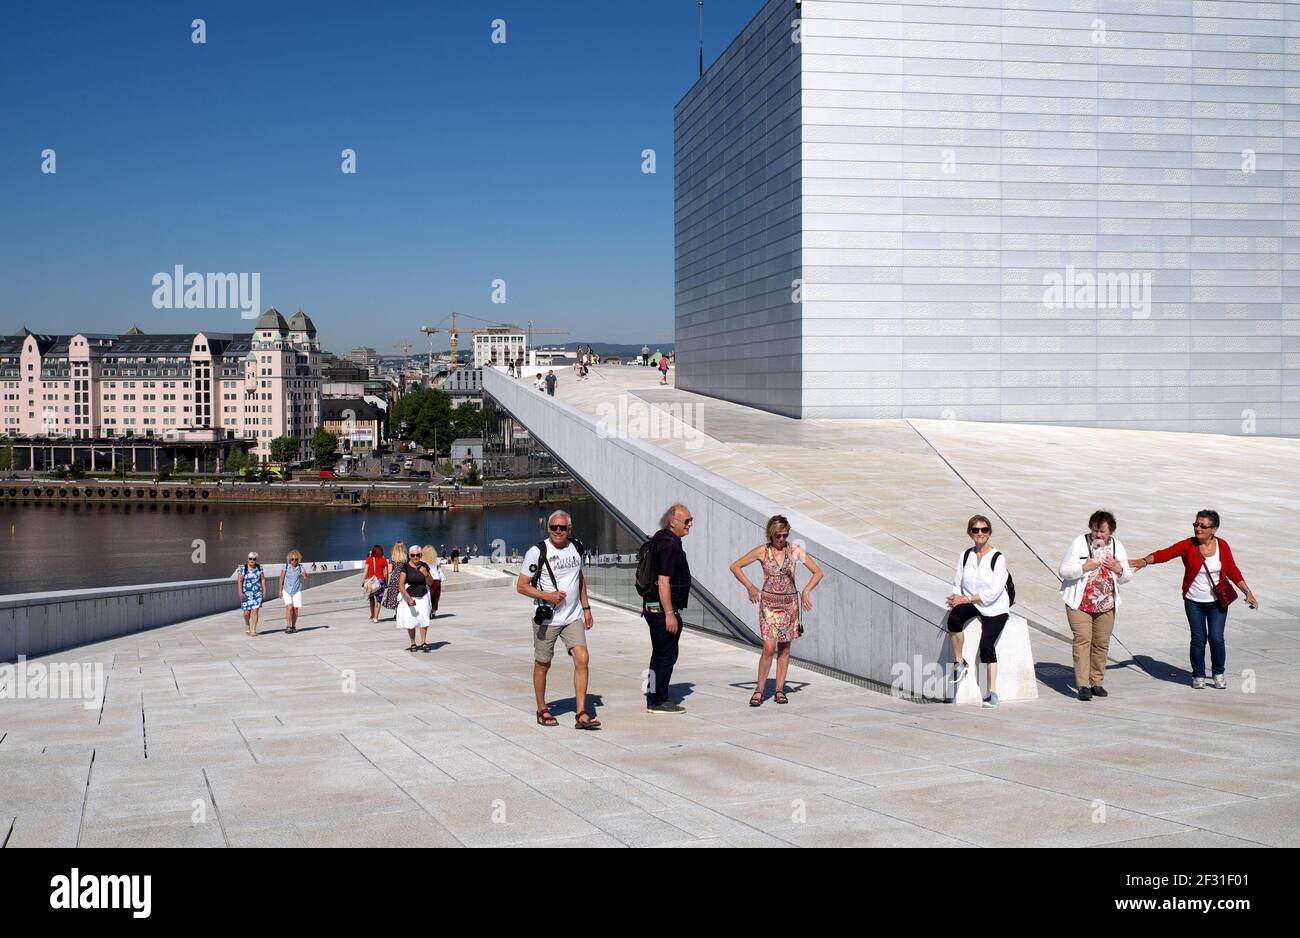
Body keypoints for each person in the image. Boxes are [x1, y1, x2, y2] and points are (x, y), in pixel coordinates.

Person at [1131, 510, 1258, 689]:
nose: (1198, 528)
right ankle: (1198, 674)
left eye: (1203, 526)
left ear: (1213, 529)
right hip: (1194, 601)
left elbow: (1232, 569)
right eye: (1196, 524)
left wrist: (1247, 592)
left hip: (1217, 602)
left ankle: (1218, 672)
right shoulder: (1188, 545)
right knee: (1198, 639)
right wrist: (1143, 561)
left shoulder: (1222, 546)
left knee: (1216, 638)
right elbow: (1165, 554)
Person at [517, 510, 599, 729]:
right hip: (548, 619)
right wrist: (548, 596)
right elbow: (522, 586)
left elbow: (579, 578)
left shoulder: (576, 547)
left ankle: (581, 712)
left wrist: (586, 607)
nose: (558, 531)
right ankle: (542, 708)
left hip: (572, 616)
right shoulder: (537, 552)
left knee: (582, 657)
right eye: (554, 527)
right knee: (543, 664)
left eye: (562, 527)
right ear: (549, 528)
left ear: (569, 529)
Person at [730, 515, 823, 706]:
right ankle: (759, 689)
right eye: (778, 536)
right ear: (771, 535)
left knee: (785, 648)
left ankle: (780, 689)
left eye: (784, 535)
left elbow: (818, 572)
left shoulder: (795, 550)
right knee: (768, 648)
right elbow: (736, 566)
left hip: (789, 604)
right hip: (768, 605)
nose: (781, 539)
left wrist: (806, 590)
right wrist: (750, 587)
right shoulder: (762, 551)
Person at [1058, 511, 1133, 701]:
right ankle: (1082, 685)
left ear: (1111, 531)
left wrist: (1118, 568)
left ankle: (1097, 682)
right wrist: (1084, 567)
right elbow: (1064, 571)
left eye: (1102, 531)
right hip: (1080, 603)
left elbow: (1126, 577)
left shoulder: (1117, 546)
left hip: (1106, 604)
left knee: (1101, 643)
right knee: (1083, 640)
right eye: (1095, 530)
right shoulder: (1079, 543)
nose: (1098, 535)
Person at [945, 515, 1012, 708]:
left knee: (986, 647)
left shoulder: (998, 558)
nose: (980, 533)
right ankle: (960, 662)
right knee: (954, 619)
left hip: (995, 607)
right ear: (970, 533)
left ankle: (991, 693)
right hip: (973, 601)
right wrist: (955, 599)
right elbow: (958, 583)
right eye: (975, 530)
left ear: (989, 533)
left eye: (984, 530)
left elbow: (993, 593)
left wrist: (964, 599)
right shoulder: (965, 555)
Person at [644, 504, 693, 714]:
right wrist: (670, 614)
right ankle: (658, 700)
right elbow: (663, 581)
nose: (690, 525)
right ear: (673, 523)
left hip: (654, 607)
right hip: (662, 610)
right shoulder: (669, 545)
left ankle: (653, 692)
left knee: (659, 653)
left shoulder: (662, 538)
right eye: (687, 521)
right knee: (666, 654)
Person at [397, 545, 434, 652]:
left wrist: (426, 574)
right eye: (413, 555)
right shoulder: (405, 567)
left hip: (423, 595)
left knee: (424, 618)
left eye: (417, 555)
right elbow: (401, 585)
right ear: (409, 556)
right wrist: (408, 598)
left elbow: (430, 582)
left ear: (421, 555)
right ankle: (413, 642)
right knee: (411, 620)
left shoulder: (424, 565)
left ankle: (423, 642)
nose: (415, 557)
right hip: (410, 595)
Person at [237, 552, 267, 636]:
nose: (252, 560)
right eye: (250, 558)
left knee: (255, 611)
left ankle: (253, 630)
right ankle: (247, 624)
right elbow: (239, 581)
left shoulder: (259, 568)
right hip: (246, 594)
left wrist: (264, 591)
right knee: (247, 613)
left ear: (256, 560)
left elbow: (263, 580)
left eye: (254, 559)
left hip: (257, 593)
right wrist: (240, 592)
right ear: (248, 559)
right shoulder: (243, 568)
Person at [280, 549, 308, 633]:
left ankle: (293, 626)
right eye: (292, 559)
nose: (294, 561)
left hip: (297, 590)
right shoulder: (285, 567)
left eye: (296, 559)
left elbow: (305, 576)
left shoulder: (300, 567)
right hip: (286, 590)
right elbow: (281, 579)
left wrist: (304, 575)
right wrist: (280, 590)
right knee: (289, 608)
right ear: (289, 559)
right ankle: (288, 626)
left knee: (295, 609)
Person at [382, 541, 408, 622]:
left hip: (395, 578)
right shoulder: (406, 557)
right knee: (403, 595)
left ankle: (397, 613)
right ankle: (404, 612)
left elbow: (390, 571)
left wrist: (388, 581)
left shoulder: (392, 557)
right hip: (404, 577)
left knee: (395, 596)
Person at [364, 545, 389, 622]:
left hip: (371, 582)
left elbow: (365, 571)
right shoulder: (383, 560)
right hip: (380, 582)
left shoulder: (369, 559)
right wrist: (386, 582)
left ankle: (372, 615)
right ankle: (376, 618)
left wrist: (363, 582)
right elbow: (385, 573)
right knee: (379, 600)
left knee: (371, 600)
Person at [423, 544, 444, 618]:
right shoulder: (437, 560)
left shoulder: (423, 561)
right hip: (437, 579)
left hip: (428, 579)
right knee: (436, 596)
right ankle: (433, 611)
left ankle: (427, 611)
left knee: (428, 596)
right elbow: (438, 569)